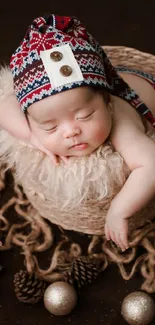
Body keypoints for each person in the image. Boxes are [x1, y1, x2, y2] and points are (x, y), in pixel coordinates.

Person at [1, 14, 155, 252]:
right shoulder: (39, 106)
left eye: (84, 116)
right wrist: (32, 137)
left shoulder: (120, 122)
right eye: (50, 126)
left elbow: (151, 165)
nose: (71, 131)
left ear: (108, 104)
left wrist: (119, 209)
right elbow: (4, 105)